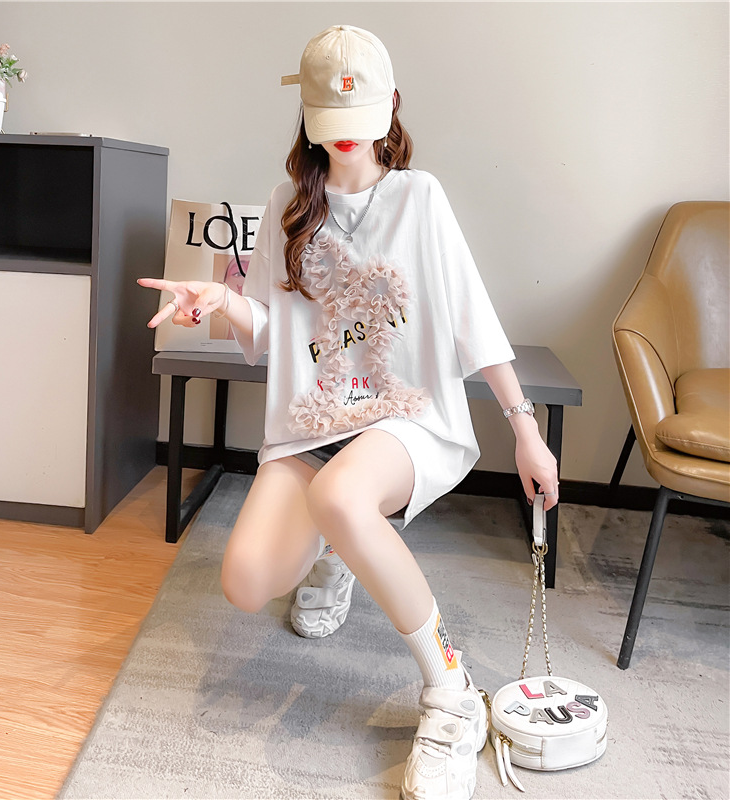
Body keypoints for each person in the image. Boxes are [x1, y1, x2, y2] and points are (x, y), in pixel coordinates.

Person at [139, 24, 558, 800]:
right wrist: (223, 300)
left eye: (360, 120)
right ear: (305, 115)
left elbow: (472, 317)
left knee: (340, 494)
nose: (345, 139)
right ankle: (343, 546)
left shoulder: (420, 197)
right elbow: (274, 328)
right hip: (314, 423)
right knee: (246, 582)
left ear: (392, 104)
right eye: (329, 123)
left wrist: (524, 427)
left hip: (403, 418)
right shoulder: (288, 205)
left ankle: (451, 693)